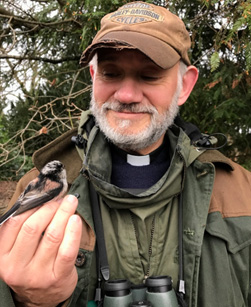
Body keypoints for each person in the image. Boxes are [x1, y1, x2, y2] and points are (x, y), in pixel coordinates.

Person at [0, 2, 250, 307]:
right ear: (93, 76)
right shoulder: (41, 187)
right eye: (110, 73)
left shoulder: (243, 192)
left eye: (149, 76)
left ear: (185, 85)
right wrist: (27, 300)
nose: (127, 95)